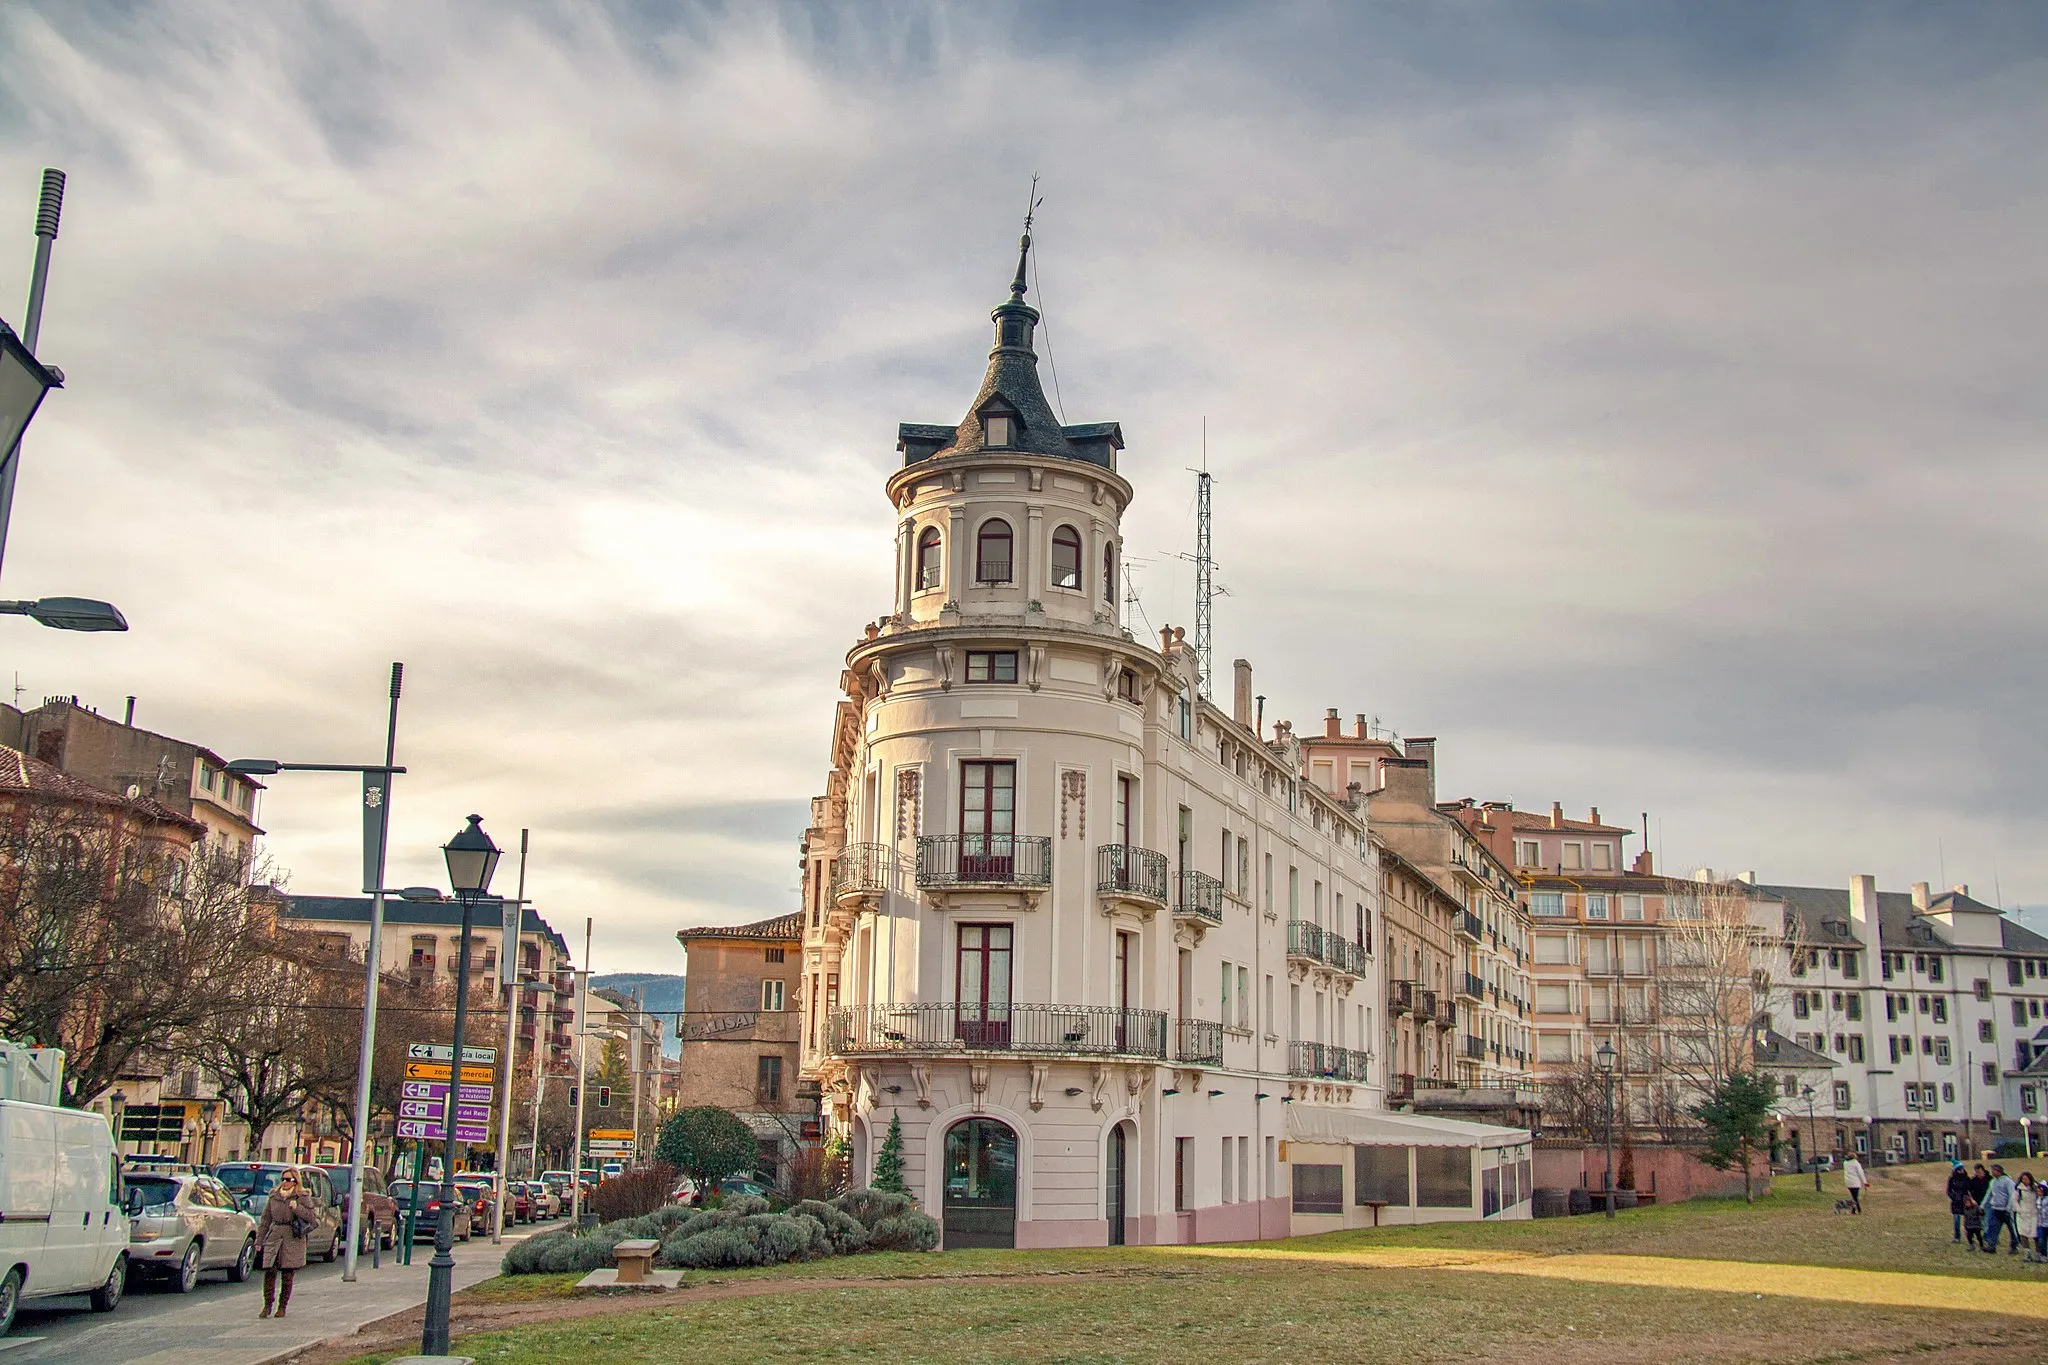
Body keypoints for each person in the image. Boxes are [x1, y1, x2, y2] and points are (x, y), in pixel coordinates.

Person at [256, 1170, 319, 1319]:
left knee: (287, 1274)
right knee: (269, 1271)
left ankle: (282, 1306)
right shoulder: (274, 1196)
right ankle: (267, 1305)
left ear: (295, 1181)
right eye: (282, 1179)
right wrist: (259, 1240)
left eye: (288, 1179)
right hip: (275, 1235)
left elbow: (312, 1218)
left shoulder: (302, 1197)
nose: (284, 1182)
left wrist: (297, 1208)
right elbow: (266, 1220)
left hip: (293, 1237)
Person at [1981, 1165, 2018, 1255]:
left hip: (2006, 1210)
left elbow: (2012, 1195)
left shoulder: (2008, 1181)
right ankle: (1991, 1246)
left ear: (1999, 1171)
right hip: (1995, 1208)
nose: (1992, 1172)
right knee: (1993, 1227)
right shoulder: (1993, 1182)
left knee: (2012, 1229)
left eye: (1994, 1170)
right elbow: (1989, 1194)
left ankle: (2014, 1246)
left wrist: (2009, 1208)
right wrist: (1982, 1205)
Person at [1948, 1162, 1974, 1243]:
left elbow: (1971, 1190)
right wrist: (1953, 1197)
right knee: (1956, 1220)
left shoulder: (1967, 1179)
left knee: (1968, 1220)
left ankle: (1970, 1236)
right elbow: (1949, 1191)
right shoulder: (1952, 1179)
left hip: (1965, 1201)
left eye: (1962, 1169)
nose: (1961, 1171)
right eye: (1959, 1169)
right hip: (1956, 1202)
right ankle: (1957, 1237)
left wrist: (1969, 1198)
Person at [2017, 1173, 2040, 1263]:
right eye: (2023, 1179)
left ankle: (2038, 1253)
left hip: (2034, 1214)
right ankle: (2027, 1252)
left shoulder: (2035, 1188)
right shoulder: (2018, 1189)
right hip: (2022, 1214)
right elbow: (2014, 1200)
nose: (2024, 1181)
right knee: (2023, 1233)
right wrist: (2019, 1210)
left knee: (2035, 1234)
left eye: (2026, 1179)